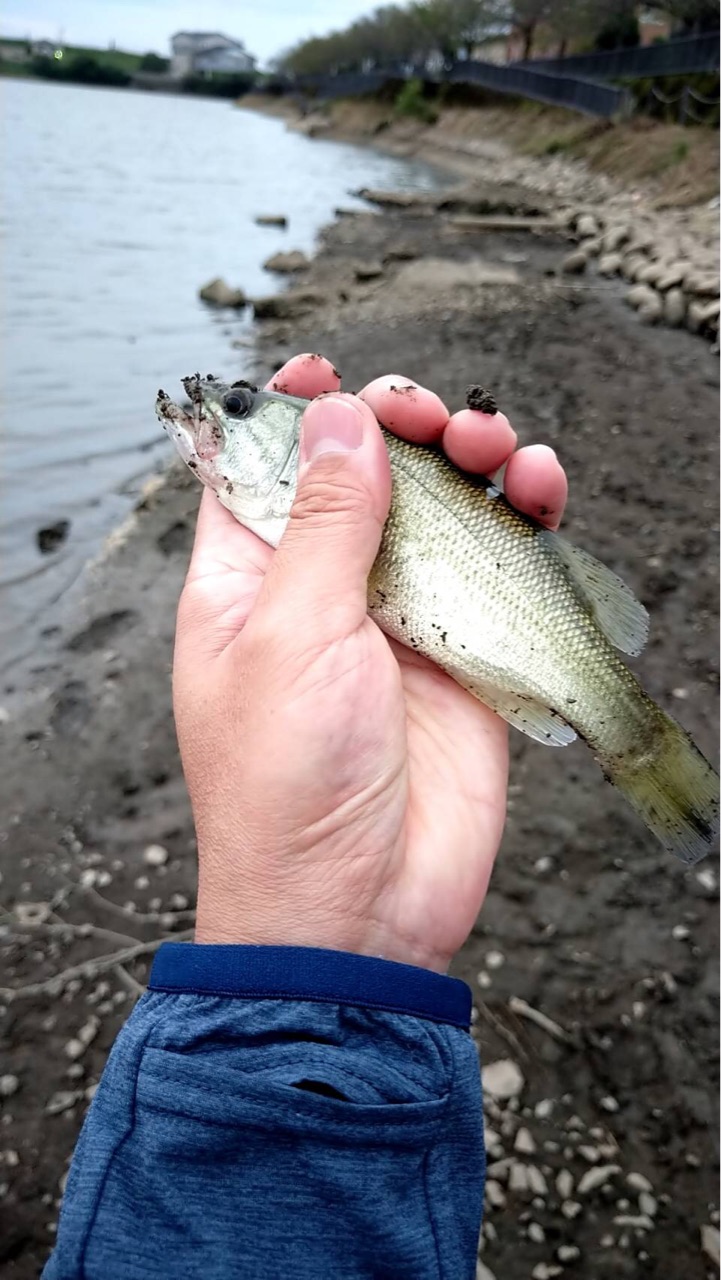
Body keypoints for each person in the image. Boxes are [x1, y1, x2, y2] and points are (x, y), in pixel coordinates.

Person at [44, 354, 568, 1280]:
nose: (219, 409)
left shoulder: (312, 468)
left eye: (241, 406)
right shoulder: (268, 490)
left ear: (310, 448)